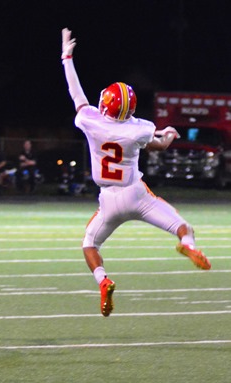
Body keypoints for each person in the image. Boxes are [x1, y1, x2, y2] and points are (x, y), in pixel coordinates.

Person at [61, 28, 211, 317]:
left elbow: (76, 94)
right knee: (183, 227)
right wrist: (168, 133)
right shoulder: (138, 128)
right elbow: (159, 144)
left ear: (105, 105)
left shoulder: (91, 120)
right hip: (137, 195)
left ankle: (103, 280)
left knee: (90, 244)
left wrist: (67, 57)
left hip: (109, 200)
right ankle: (188, 245)